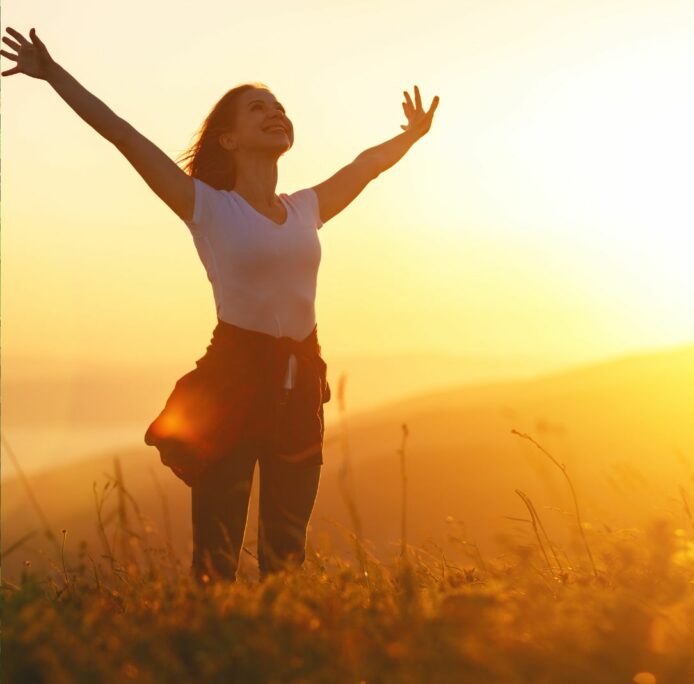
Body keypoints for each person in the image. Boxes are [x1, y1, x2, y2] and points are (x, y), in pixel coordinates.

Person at [1, 26, 440, 583]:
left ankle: (276, 653)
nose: (275, 113)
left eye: (279, 107)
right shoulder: (204, 205)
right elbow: (122, 135)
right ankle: (208, 657)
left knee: (286, 552)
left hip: (300, 383)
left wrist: (412, 136)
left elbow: (365, 166)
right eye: (258, 109)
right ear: (228, 140)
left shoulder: (307, 208)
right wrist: (53, 73)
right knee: (217, 554)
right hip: (233, 381)